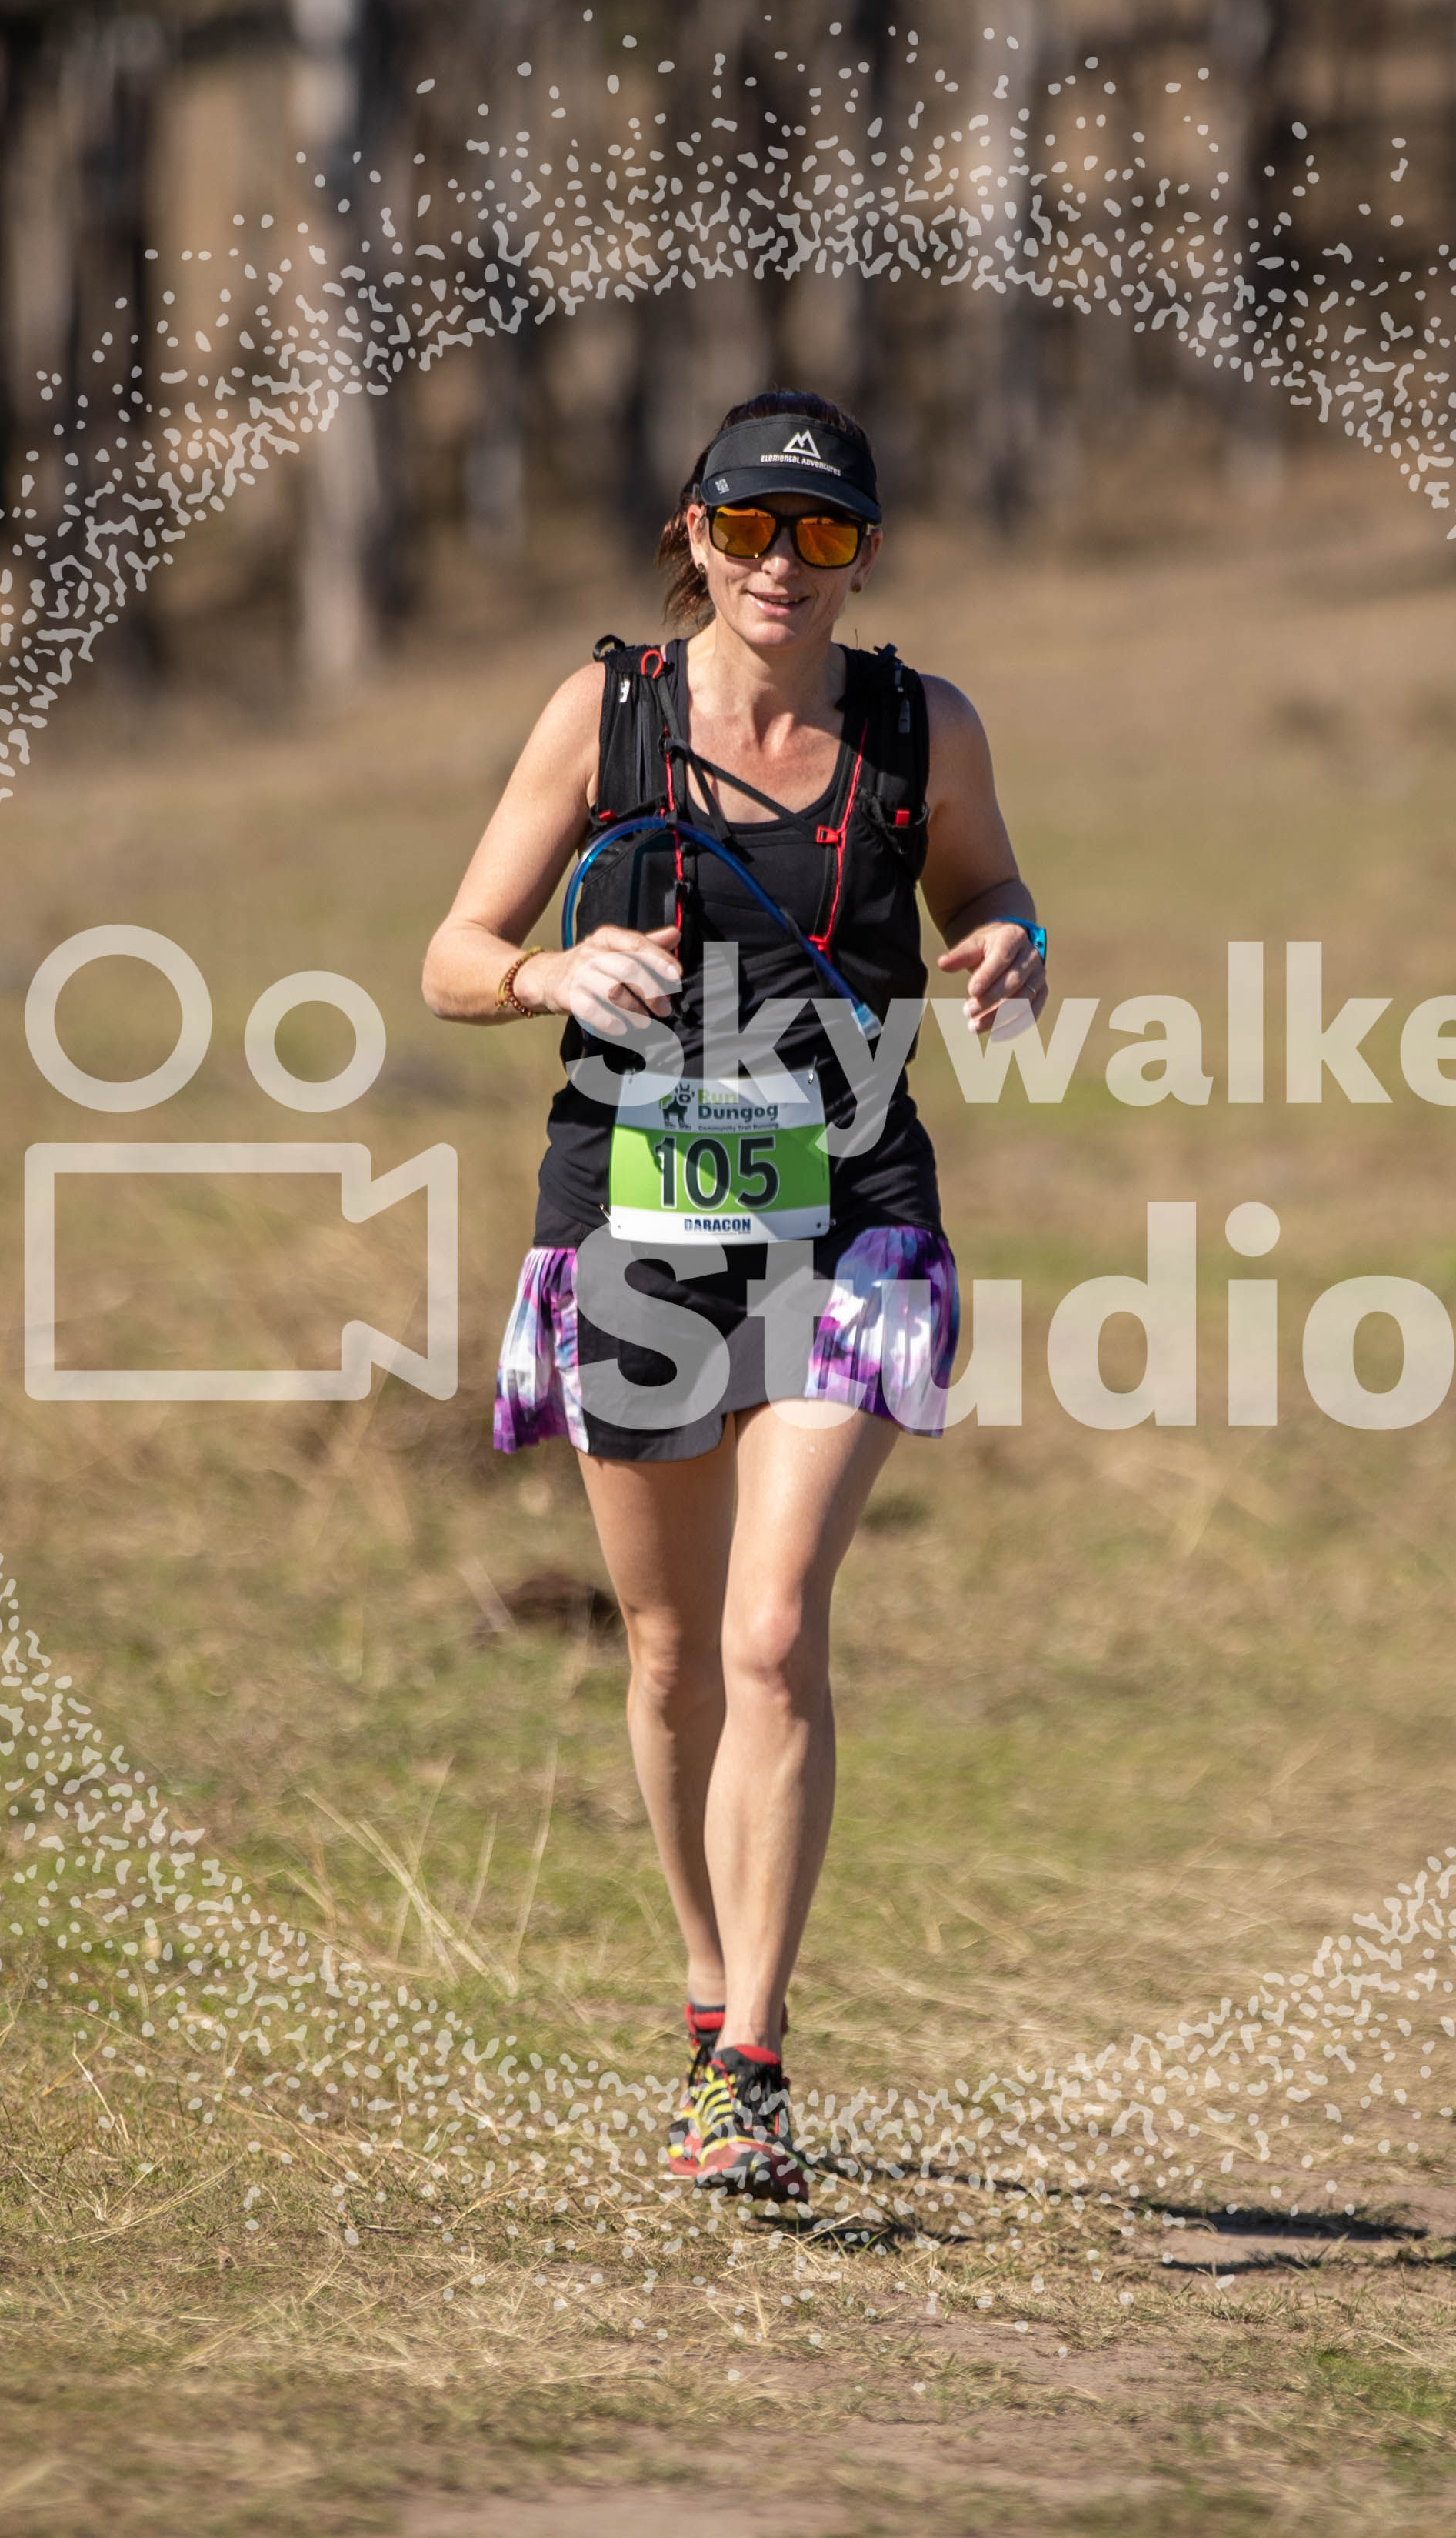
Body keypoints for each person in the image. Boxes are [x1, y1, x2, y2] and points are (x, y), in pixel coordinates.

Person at [422, 392, 1048, 2200]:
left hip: (851, 1212)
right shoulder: (601, 716)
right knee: (675, 1648)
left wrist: (1013, 933)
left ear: (863, 555)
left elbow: (986, 884)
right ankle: (705, 1992)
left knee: (776, 1628)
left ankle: (755, 2062)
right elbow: (452, 957)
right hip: (630, 1213)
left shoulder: (919, 726)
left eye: (828, 535)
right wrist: (554, 972)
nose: (786, 566)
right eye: (756, 528)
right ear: (693, 529)